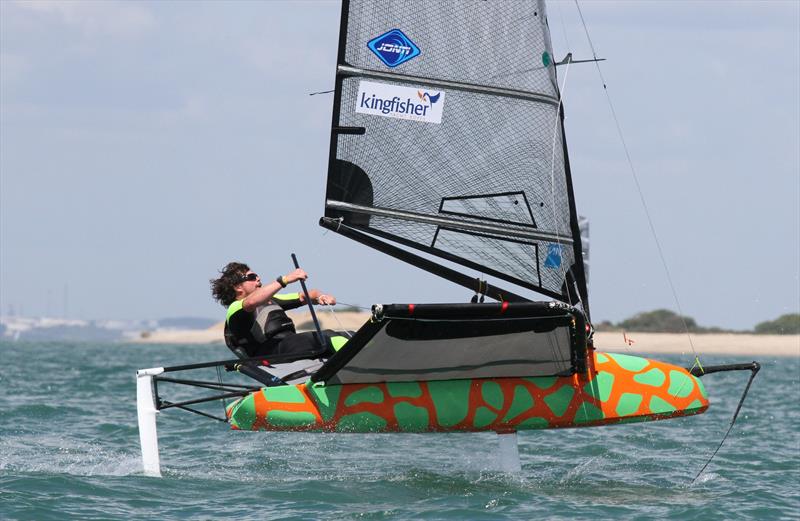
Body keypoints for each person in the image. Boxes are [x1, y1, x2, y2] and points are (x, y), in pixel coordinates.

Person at [210, 261, 341, 360]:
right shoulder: (235, 307)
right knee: (328, 337)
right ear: (238, 287)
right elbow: (251, 302)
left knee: (347, 336)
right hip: (272, 353)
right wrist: (285, 280)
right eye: (252, 277)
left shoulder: (272, 300)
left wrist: (321, 296)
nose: (258, 278)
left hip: (291, 343)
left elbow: (306, 295)